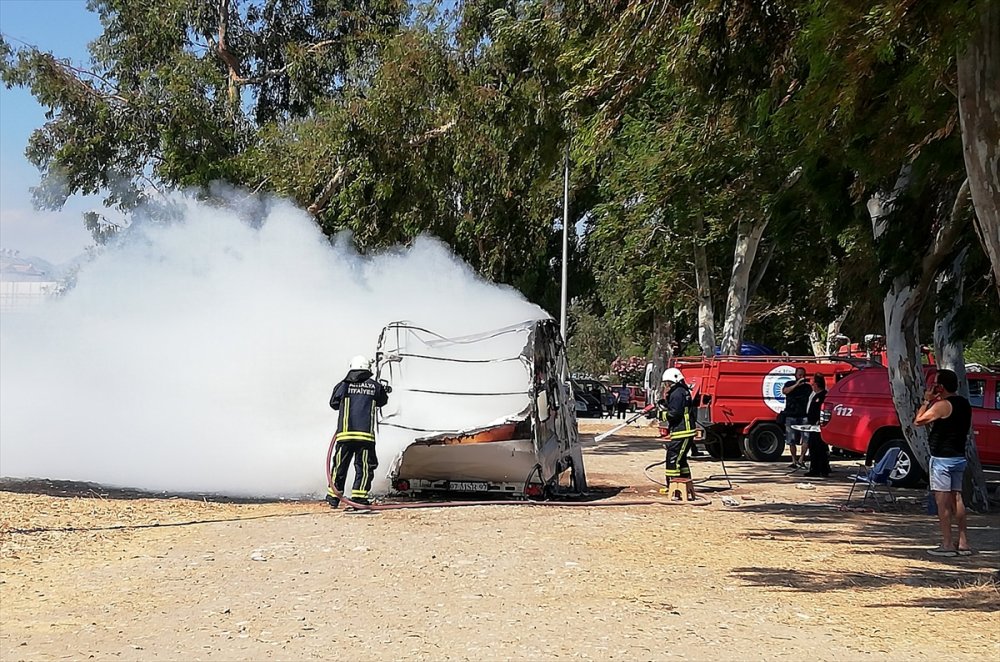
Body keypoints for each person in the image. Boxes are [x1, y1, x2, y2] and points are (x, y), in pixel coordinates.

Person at [914, 369, 973, 557]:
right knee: (957, 499)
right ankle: (963, 542)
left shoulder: (943, 405)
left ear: (941, 386)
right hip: (958, 456)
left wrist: (926, 400)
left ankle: (947, 544)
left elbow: (919, 421)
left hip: (942, 459)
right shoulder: (964, 403)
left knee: (942, 503)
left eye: (936, 383)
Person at [327, 355, 389, 509]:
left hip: (345, 434)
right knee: (364, 466)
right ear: (367, 368)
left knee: (339, 465)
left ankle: (334, 496)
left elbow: (333, 403)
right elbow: (382, 401)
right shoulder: (374, 386)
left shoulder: (343, 385)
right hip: (365, 436)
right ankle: (359, 498)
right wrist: (384, 390)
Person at [654, 368, 698, 497]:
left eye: (667, 383)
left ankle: (673, 487)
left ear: (673, 380)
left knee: (672, 458)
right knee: (682, 460)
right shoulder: (682, 391)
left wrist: (660, 414)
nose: (666, 385)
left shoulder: (677, 393)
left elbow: (675, 414)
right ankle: (684, 484)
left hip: (682, 431)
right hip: (685, 430)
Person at [781, 367, 812, 469]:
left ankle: (801, 459)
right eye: (799, 375)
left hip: (804, 415)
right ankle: (794, 460)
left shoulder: (807, 387)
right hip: (791, 415)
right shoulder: (790, 384)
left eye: (803, 375)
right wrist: (796, 385)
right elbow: (785, 391)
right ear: (795, 375)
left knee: (806, 438)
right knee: (791, 440)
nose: (801, 377)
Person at [803, 374, 830, 477]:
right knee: (813, 447)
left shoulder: (824, 395)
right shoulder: (814, 395)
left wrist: (820, 421)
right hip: (812, 426)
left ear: (817, 384)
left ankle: (820, 469)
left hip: (819, 426)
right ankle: (817, 468)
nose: (812, 385)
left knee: (819, 448)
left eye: (813, 383)